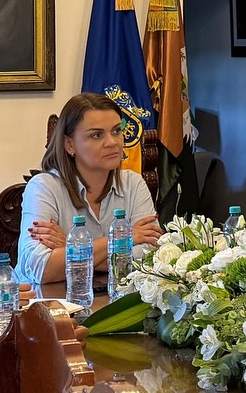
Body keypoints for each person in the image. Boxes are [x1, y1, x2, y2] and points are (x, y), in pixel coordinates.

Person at [16, 92, 164, 287]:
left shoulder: (133, 184)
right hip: (46, 300)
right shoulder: (43, 187)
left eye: (117, 131)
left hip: (108, 298)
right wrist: (124, 238)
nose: (112, 142)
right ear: (70, 145)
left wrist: (71, 246)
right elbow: (41, 269)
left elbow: (151, 258)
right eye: (96, 135)